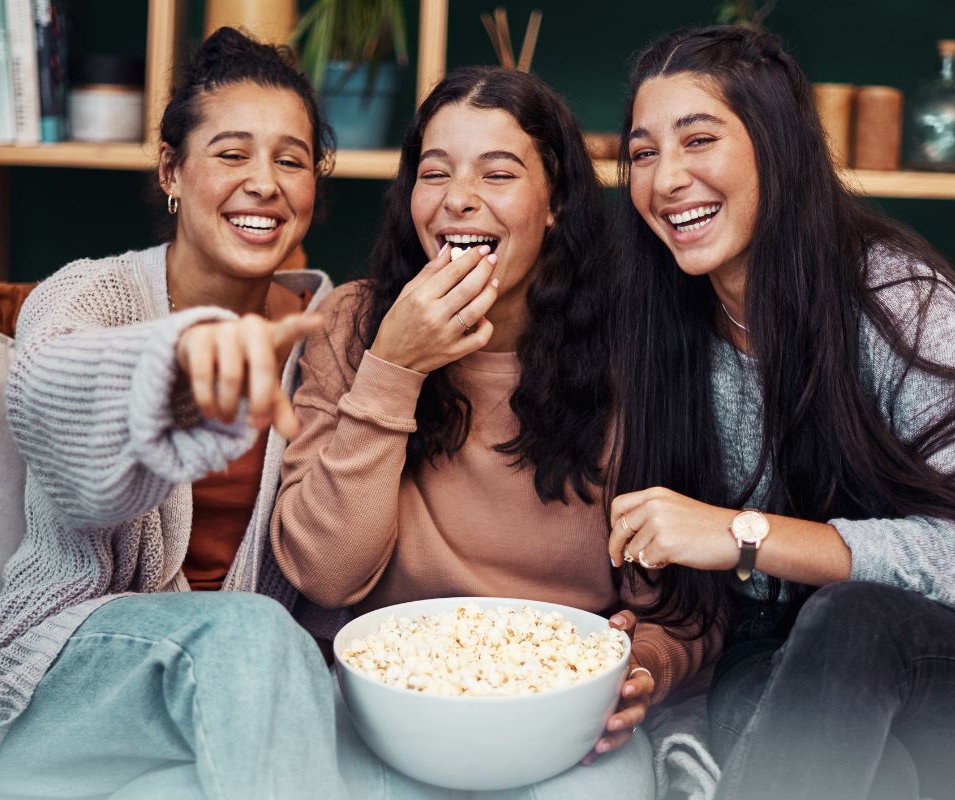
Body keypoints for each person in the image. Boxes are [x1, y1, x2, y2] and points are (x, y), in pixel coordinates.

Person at [604, 25, 955, 800]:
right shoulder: (657, 329)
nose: (667, 179)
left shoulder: (896, 302)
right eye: (643, 153)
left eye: (697, 139)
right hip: (769, 663)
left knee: (849, 620)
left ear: (777, 147)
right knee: (878, 778)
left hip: (950, 670)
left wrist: (741, 534)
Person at [0, 28, 344, 798]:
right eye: (233, 153)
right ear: (171, 170)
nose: (265, 183)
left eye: (291, 159)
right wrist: (172, 366)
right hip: (61, 677)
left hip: (246, 695)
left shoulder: (332, 330)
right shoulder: (87, 297)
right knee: (252, 634)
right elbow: (51, 404)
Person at [271, 65, 712, 799]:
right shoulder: (353, 326)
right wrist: (395, 368)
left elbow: (680, 607)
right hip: (387, 708)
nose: (459, 202)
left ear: (556, 203)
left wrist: (649, 667)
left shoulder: (633, 351)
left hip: (562, 718)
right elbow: (324, 572)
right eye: (434, 173)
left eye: (498, 174)